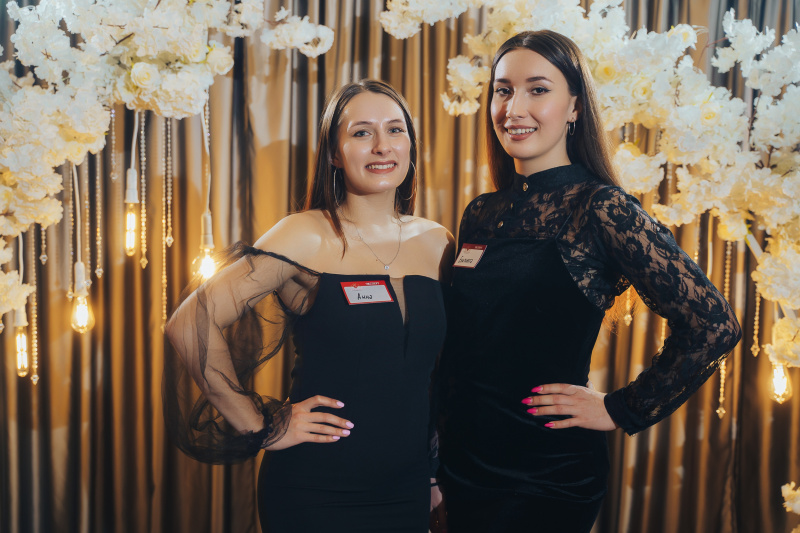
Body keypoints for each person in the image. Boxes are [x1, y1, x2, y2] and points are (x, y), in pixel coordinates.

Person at [436, 30, 742, 533]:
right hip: (462, 465)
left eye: (538, 89)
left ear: (575, 106)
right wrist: (433, 463)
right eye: (503, 90)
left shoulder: (601, 208)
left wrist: (622, 409)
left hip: (544, 474)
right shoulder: (481, 213)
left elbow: (714, 325)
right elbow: (460, 350)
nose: (513, 108)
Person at [164, 79, 453, 532]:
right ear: (334, 153)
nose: (382, 146)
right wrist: (261, 425)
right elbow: (189, 324)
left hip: (408, 486)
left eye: (395, 130)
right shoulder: (304, 234)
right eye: (362, 132)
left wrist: (434, 473)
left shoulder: (438, 241)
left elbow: (440, 374)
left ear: (411, 145)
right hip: (316, 490)